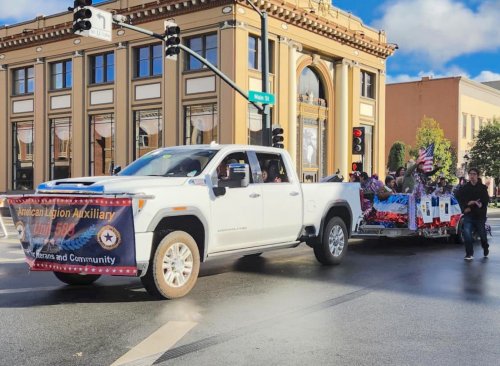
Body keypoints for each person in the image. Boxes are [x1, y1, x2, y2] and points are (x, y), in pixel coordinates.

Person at [455, 167, 490, 261]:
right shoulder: (464, 187)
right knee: (467, 234)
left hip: (479, 215)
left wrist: (480, 203)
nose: (472, 176)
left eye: (474, 174)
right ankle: (469, 253)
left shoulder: (482, 187)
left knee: (482, 235)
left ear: (477, 176)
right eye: (470, 174)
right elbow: (458, 197)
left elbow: (486, 200)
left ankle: (485, 246)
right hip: (469, 214)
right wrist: (465, 206)